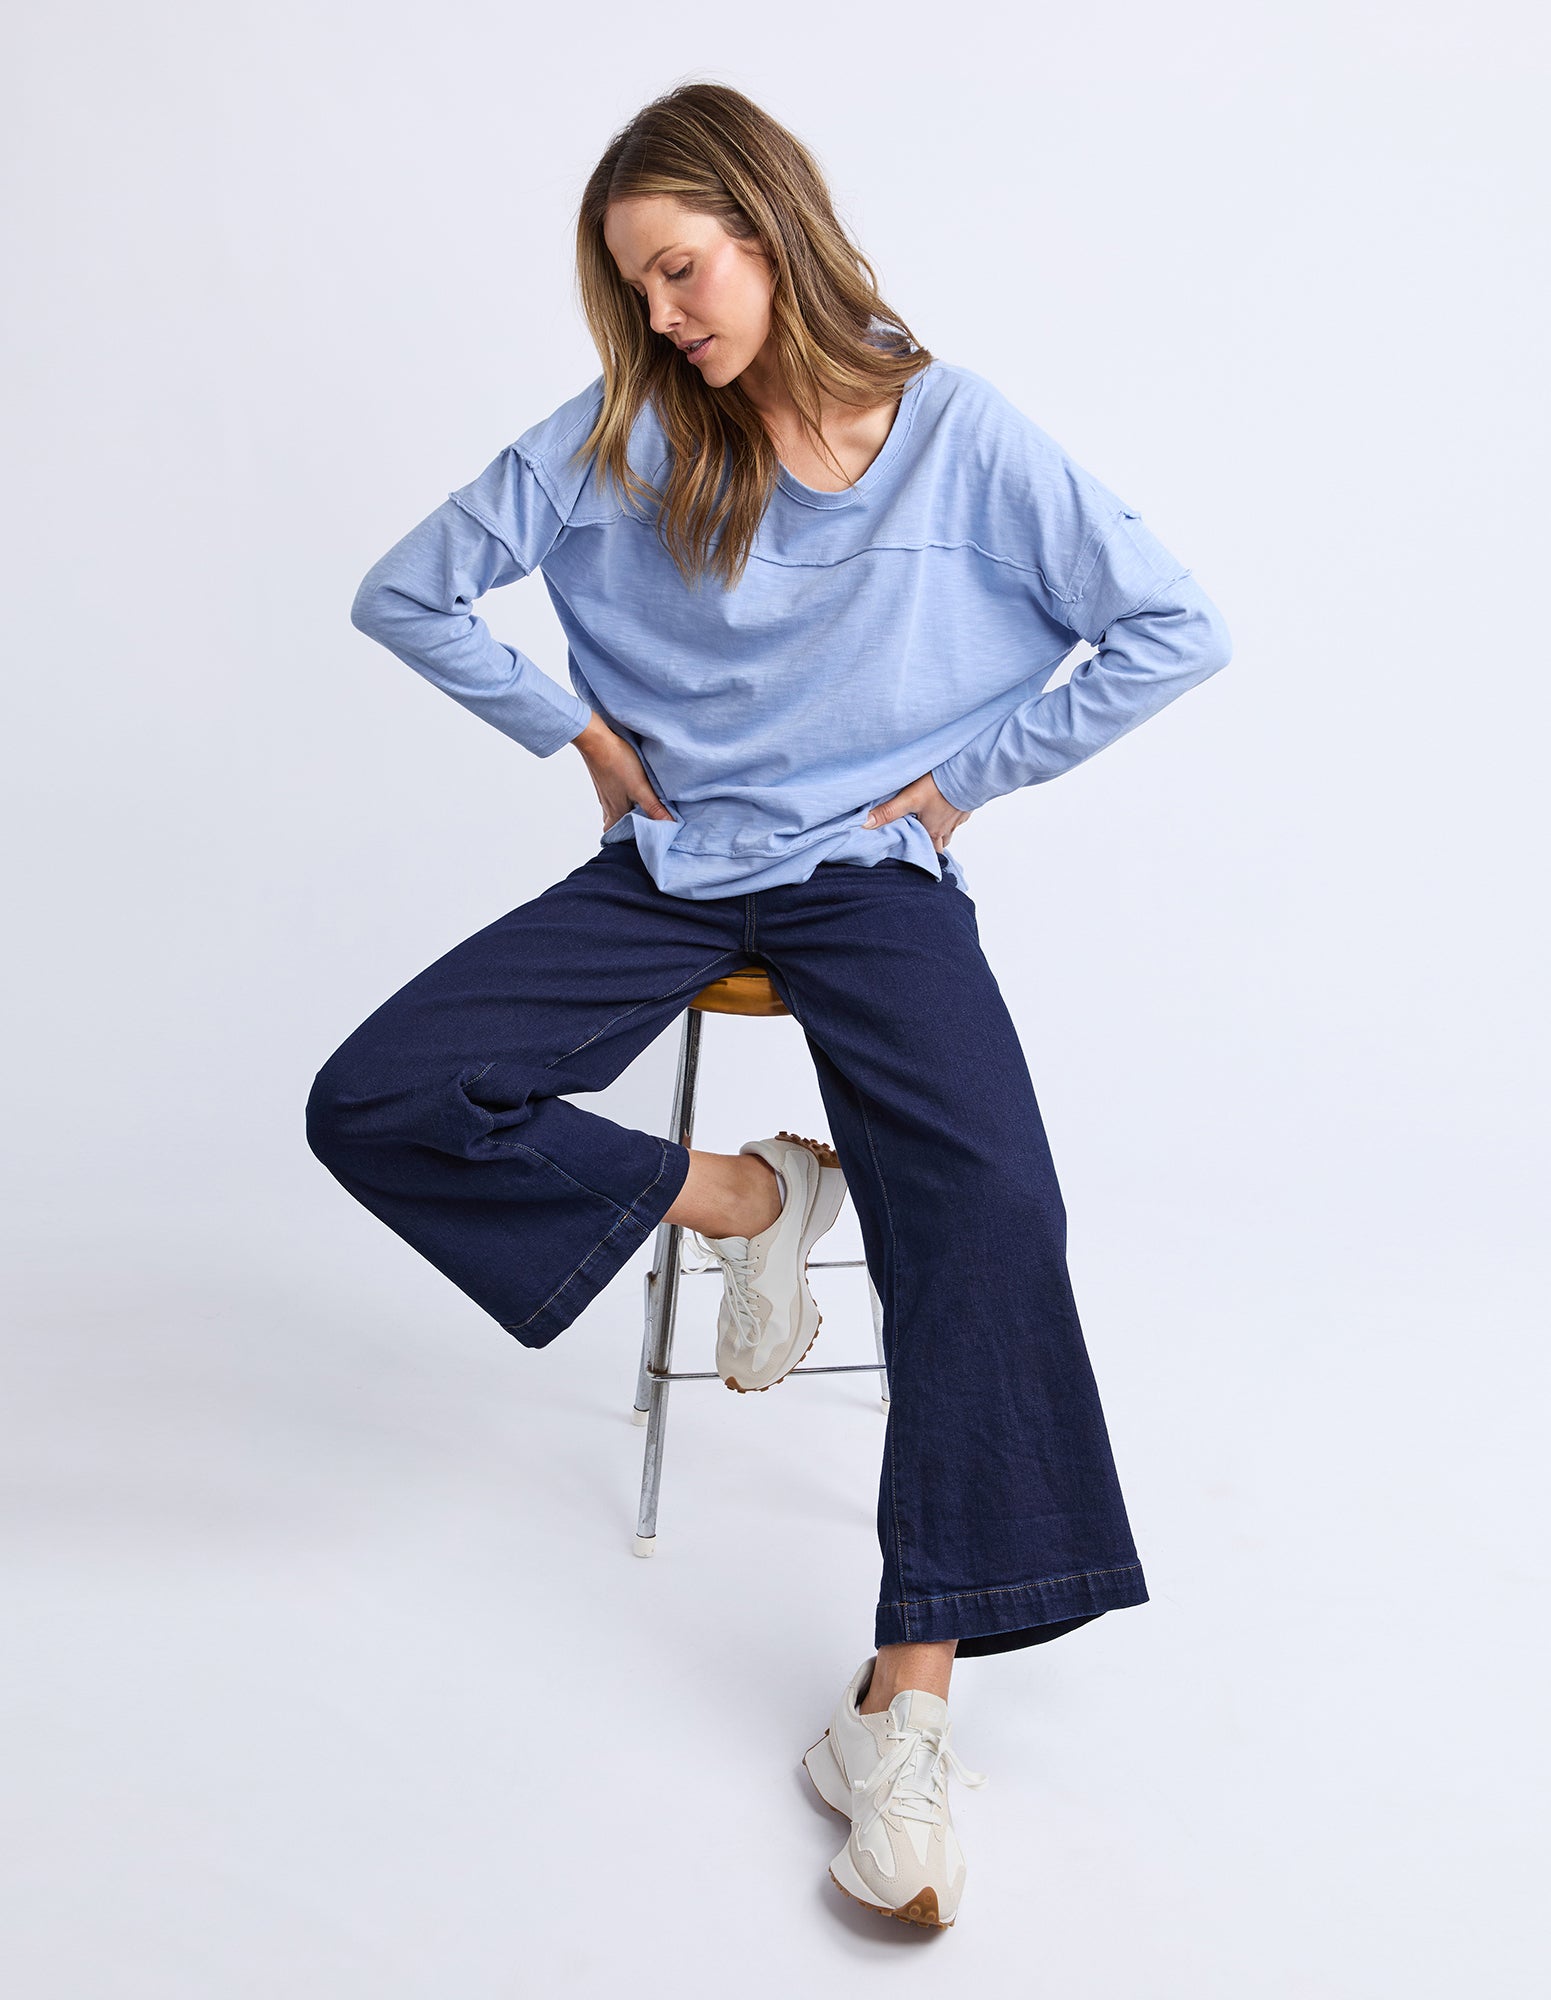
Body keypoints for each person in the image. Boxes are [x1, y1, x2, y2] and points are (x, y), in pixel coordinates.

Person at [306, 81, 1232, 1930]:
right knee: (381, 1096)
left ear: (770, 227)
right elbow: (404, 595)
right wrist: (581, 735)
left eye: (679, 271)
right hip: (676, 866)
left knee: (991, 1209)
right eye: (634, 289)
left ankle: (902, 1709)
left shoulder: (960, 437)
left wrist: (956, 790)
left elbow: (1171, 626)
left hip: (874, 880)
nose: (660, 317)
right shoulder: (615, 439)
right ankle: (749, 1197)